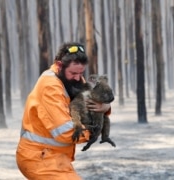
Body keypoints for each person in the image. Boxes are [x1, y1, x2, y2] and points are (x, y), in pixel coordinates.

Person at [16, 42, 111, 180]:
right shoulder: (50, 87)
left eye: (81, 73)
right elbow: (65, 131)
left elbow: (91, 102)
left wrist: (106, 108)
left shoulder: (72, 78)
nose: (79, 78)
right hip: (39, 158)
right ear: (60, 65)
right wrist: (94, 130)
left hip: (55, 157)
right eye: (74, 73)